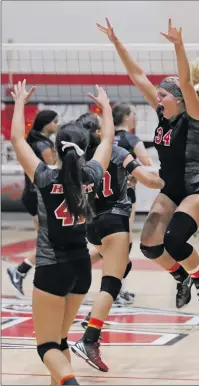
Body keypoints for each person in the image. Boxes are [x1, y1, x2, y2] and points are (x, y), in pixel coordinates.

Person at [97, 17, 199, 320]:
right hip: (171, 187)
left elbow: (186, 82)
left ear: (178, 99)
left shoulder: (192, 114)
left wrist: (178, 45)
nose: (157, 97)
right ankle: (183, 277)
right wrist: (116, 42)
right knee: (150, 246)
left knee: (175, 241)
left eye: (163, 94)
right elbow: (138, 76)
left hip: (196, 188)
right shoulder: (164, 114)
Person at [10, 80, 114, 385]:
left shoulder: (43, 176)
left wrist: (19, 102)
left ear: (55, 148)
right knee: (61, 339)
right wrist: (105, 107)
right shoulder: (93, 173)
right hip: (82, 267)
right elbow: (107, 137)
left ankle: (70, 382)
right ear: (85, 149)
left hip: (51, 268)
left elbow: (17, 139)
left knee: (46, 346)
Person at [71, 112, 164, 372]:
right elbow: (146, 179)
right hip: (114, 220)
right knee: (111, 284)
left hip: (93, 225)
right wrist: (169, 183)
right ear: (100, 133)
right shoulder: (115, 150)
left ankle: (79, 280)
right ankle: (89, 338)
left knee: (122, 266)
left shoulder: (78, 158)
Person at [7, 109, 58, 297]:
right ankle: (20, 270)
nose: (57, 125)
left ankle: (28, 272)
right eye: (55, 121)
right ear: (47, 124)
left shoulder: (35, 141)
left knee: (49, 241)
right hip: (38, 196)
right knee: (49, 241)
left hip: (33, 195)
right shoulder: (42, 144)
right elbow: (55, 168)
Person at [112, 102, 153, 304]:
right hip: (126, 195)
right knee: (123, 243)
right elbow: (148, 164)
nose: (136, 118)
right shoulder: (131, 139)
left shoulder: (106, 138)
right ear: (126, 117)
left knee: (111, 242)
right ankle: (116, 289)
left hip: (106, 194)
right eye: (134, 114)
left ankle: (119, 287)